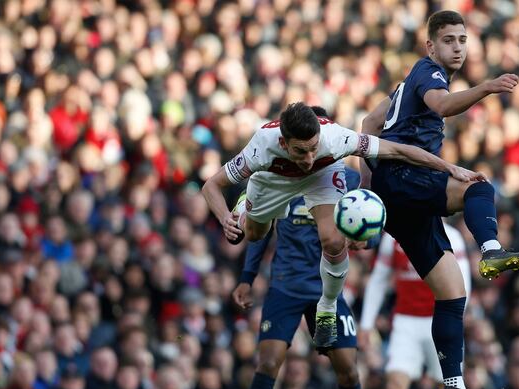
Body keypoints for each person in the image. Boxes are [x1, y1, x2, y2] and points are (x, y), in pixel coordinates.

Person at [361, 10, 519, 389]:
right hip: (407, 176)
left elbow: (370, 124)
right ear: (431, 46)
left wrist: (370, 187)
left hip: (397, 195)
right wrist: (488, 88)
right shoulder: (429, 73)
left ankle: (454, 388)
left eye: (462, 40)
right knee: (478, 187)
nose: (457, 47)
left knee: (452, 292)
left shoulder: (406, 83)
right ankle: (492, 249)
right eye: (449, 40)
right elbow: (441, 105)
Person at [203, 102, 479, 350]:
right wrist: (224, 216)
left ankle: (327, 306)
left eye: (313, 147)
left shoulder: (335, 138)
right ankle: (244, 206)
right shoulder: (260, 146)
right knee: (253, 234)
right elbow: (211, 186)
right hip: (272, 182)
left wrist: (449, 168)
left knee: (333, 240)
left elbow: (398, 151)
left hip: (321, 178)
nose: (309, 157)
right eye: (301, 150)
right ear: (284, 143)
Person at [232, 150, 369, 389]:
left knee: (348, 370)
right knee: (268, 362)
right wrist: (247, 277)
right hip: (286, 285)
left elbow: (366, 220)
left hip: (328, 287)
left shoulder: (351, 179)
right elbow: (261, 230)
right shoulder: (279, 178)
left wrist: (364, 238)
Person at [359, 223, 470, 389]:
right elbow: (379, 279)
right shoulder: (394, 239)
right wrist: (366, 323)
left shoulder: (453, 238)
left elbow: (463, 286)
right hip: (405, 322)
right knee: (394, 386)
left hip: (440, 320)